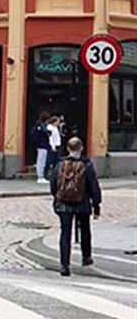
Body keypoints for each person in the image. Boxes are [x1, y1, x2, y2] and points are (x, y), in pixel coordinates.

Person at [49, 135, 101, 276]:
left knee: (65, 232)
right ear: (81, 148)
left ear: (67, 149)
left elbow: (53, 184)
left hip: (63, 204)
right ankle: (86, 257)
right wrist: (96, 204)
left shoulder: (60, 164)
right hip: (82, 203)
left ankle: (64, 265)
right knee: (85, 229)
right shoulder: (86, 164)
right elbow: (93, 186)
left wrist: (57, 197)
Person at [32, 110, 51, 184]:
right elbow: (45, 133)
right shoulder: (41, 126)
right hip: (42, 145)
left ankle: (41, 176)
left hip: (41, 145)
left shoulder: (38, 125)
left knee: (41, 160)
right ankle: (40, 177)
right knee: (41, 161)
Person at [46, 115, 64, 179]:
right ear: (54, 122)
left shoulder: (55, 127)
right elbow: (50, 138)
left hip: (58, 145)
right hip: (53, 145)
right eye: (58, 121)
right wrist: (53, 146)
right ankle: (48, 174)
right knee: (51, 160)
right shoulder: (50, 128)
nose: (58, 123)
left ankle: (55, 173)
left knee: (57, 160)